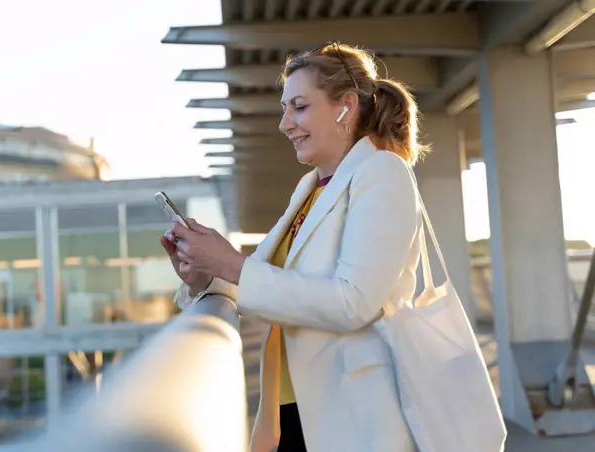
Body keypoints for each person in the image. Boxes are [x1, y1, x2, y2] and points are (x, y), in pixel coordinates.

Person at [160, 41, 429, 452]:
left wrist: (232, 264)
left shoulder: (382, 173)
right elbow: (273, 286)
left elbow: (351, 302)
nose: (285, 124)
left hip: (349, 419)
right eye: (285, 109)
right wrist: (204, 275)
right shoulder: (310, 187)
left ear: (346, 107)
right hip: (296, 410)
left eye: (299, 107)